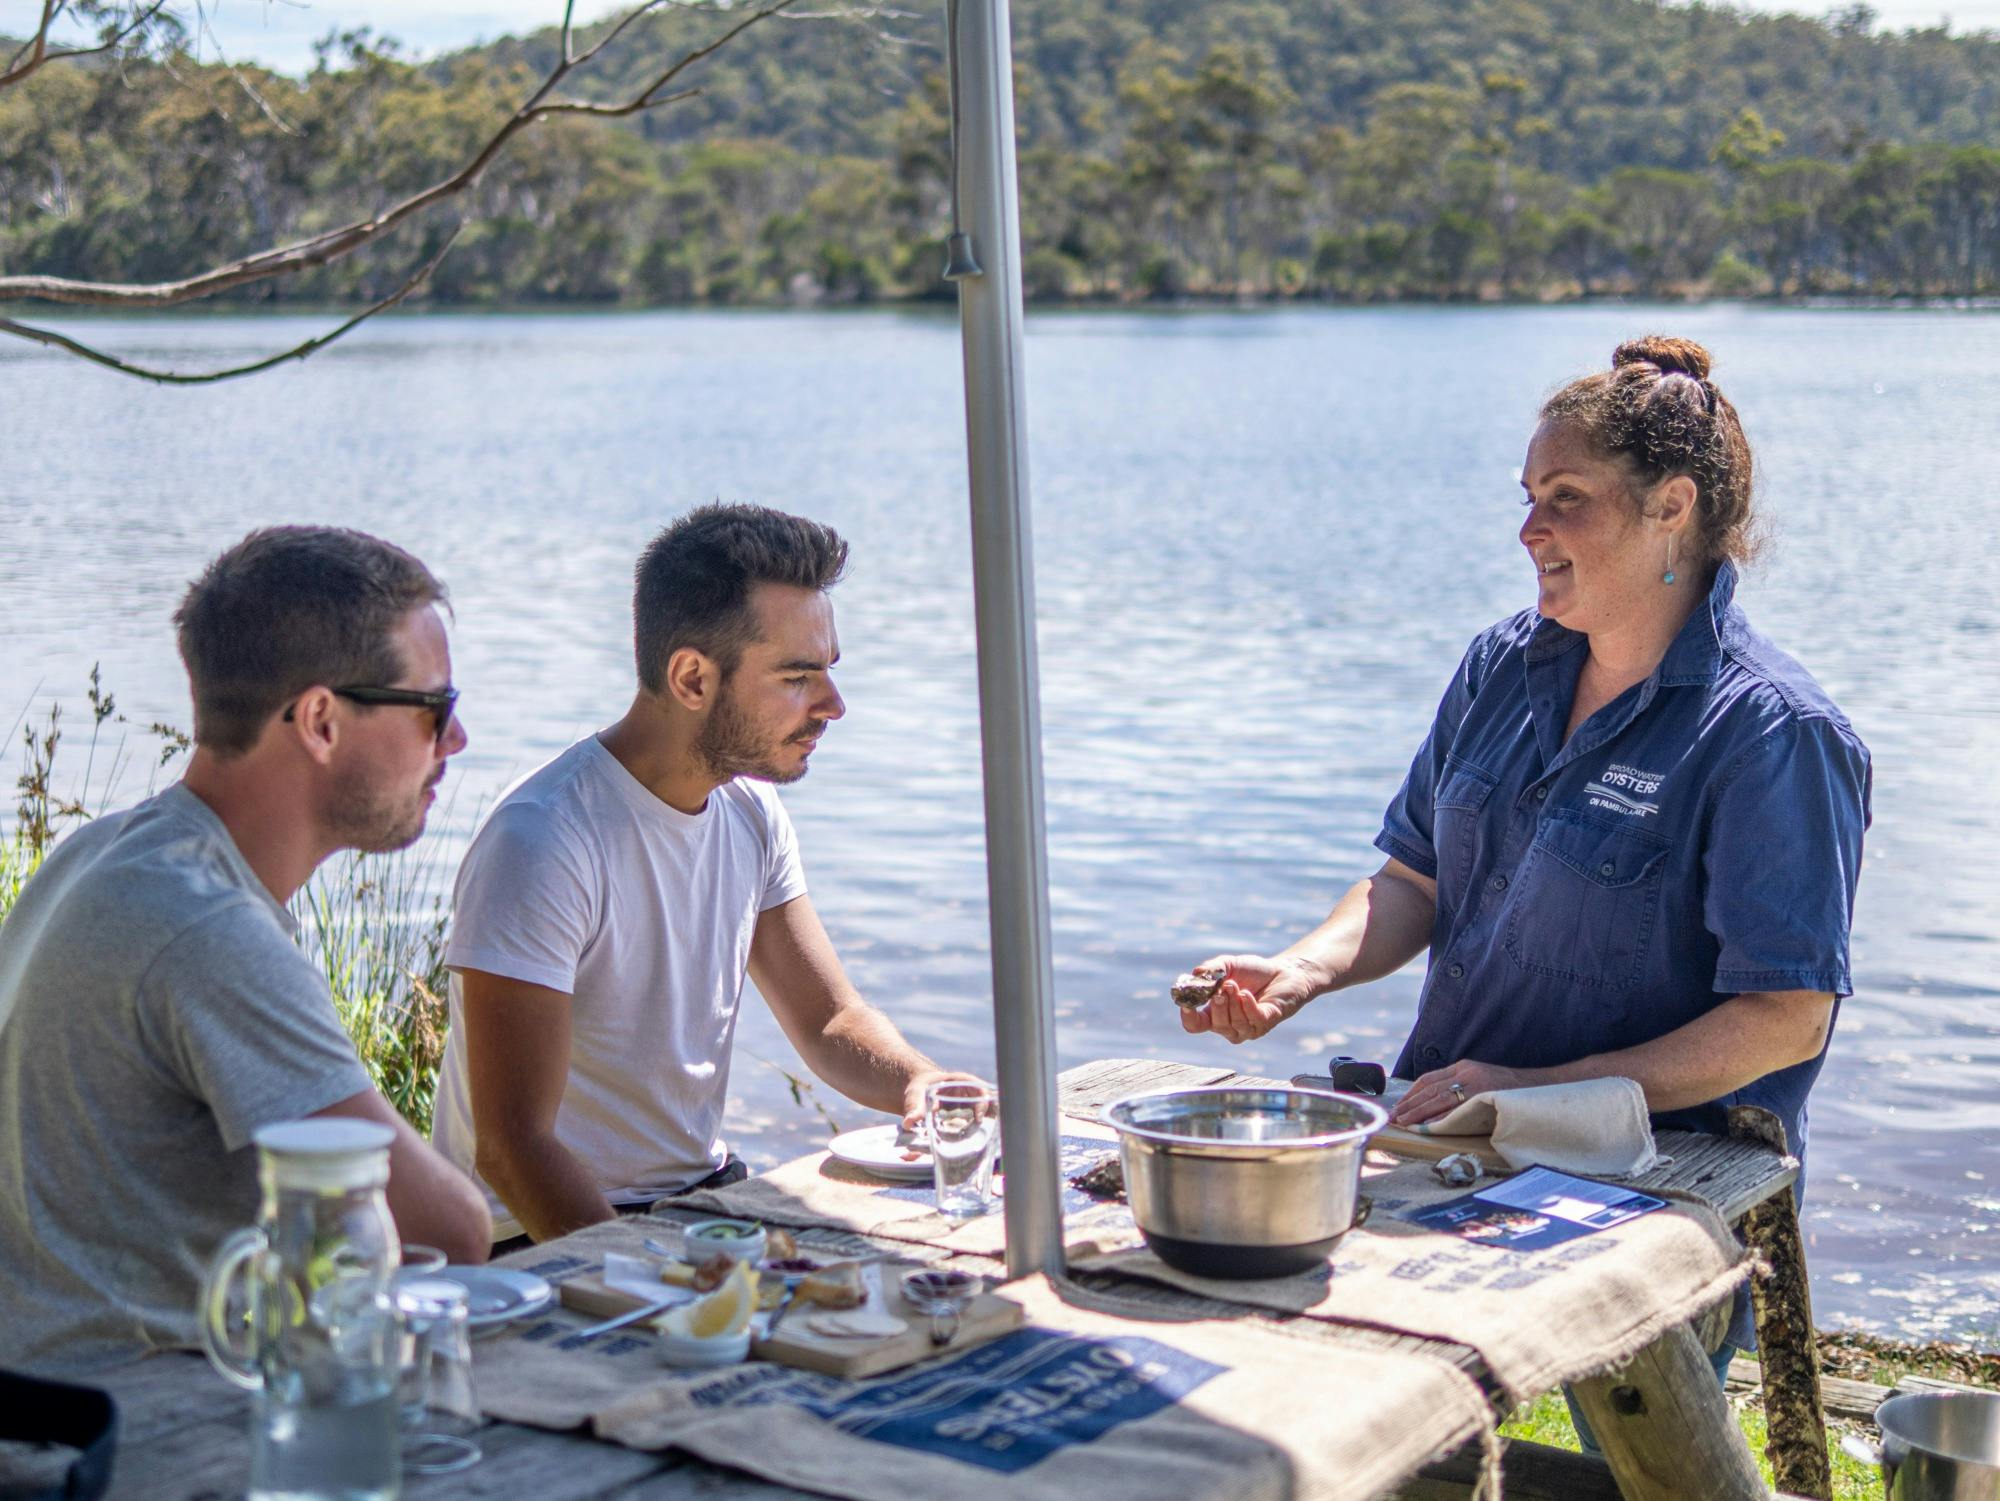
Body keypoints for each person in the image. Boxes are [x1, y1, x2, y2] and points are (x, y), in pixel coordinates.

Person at [1177, 337, 1870, 1428]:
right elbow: (1411, 879)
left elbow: (1783, 1020)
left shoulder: (1775, 734)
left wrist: (1547, 1093)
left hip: (1648, 1186)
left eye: (1564, 499)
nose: (1527, 530)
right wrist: (1297, 971)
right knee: (1268, 1382)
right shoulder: (1499, 664)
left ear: (1670, 509)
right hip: (1439, 1147)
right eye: (1527, 496)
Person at [0, 527, 492, 1375]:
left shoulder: (104, 855)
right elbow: (447, 1229)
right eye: (433, 710)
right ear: (320, 721)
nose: (456, 742)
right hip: (141, 1423)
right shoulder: (206, 928)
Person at [431, 503, 979, 1248]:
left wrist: (920, 1079)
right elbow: (512, 1149)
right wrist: (651, 1285)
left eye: (828, 671)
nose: (834, 706)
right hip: (538, 1239)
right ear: (691, 677)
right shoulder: (543, 840)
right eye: (797, 677)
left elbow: (829, 1021)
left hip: (701, 1203)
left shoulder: (750, 812)